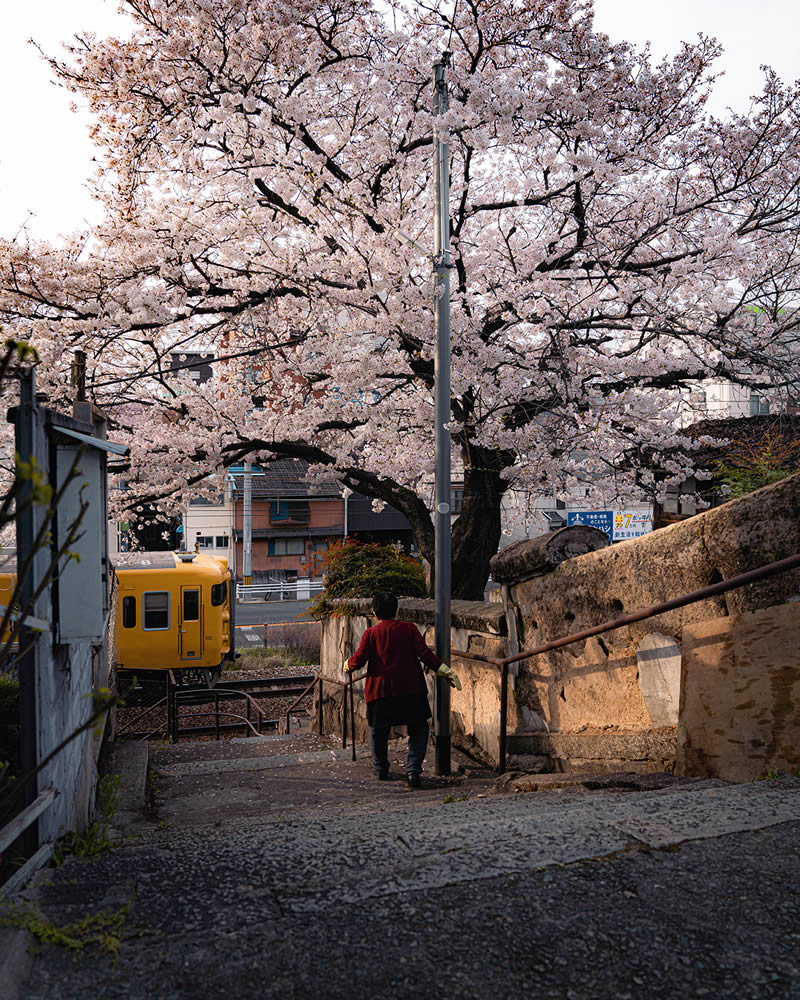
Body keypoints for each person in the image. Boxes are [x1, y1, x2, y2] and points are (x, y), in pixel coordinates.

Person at [344, 591, 461, 788]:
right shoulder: (409, 629)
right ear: (397, 610)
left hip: (380, 692)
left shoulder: (371, 634)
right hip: (411, 690)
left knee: (377, 731)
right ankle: (413, 770)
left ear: (374, 613)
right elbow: (425, 654)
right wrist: (445, 670)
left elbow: (359, 660)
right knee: (419, 729)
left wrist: (347, 664)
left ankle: (381, 769)